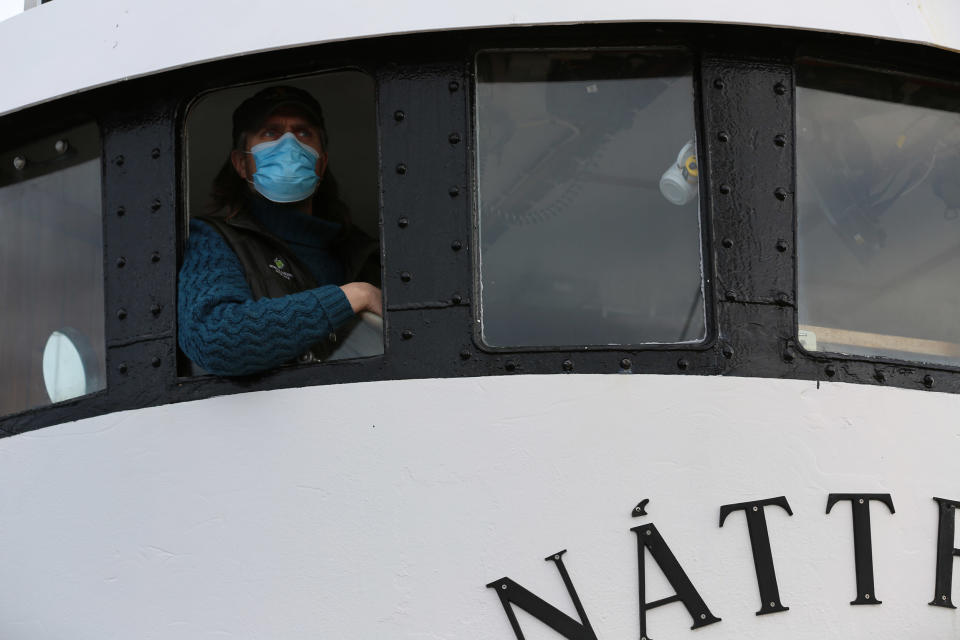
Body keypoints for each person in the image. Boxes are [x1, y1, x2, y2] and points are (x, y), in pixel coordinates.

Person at [178, 85, 382, 376]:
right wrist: (353, 296)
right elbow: (213, 338)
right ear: (241, 163)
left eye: (302, 133)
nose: (289, 144)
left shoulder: (364, 255)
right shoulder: (215, 240)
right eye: (270, 133)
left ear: (321, 163)